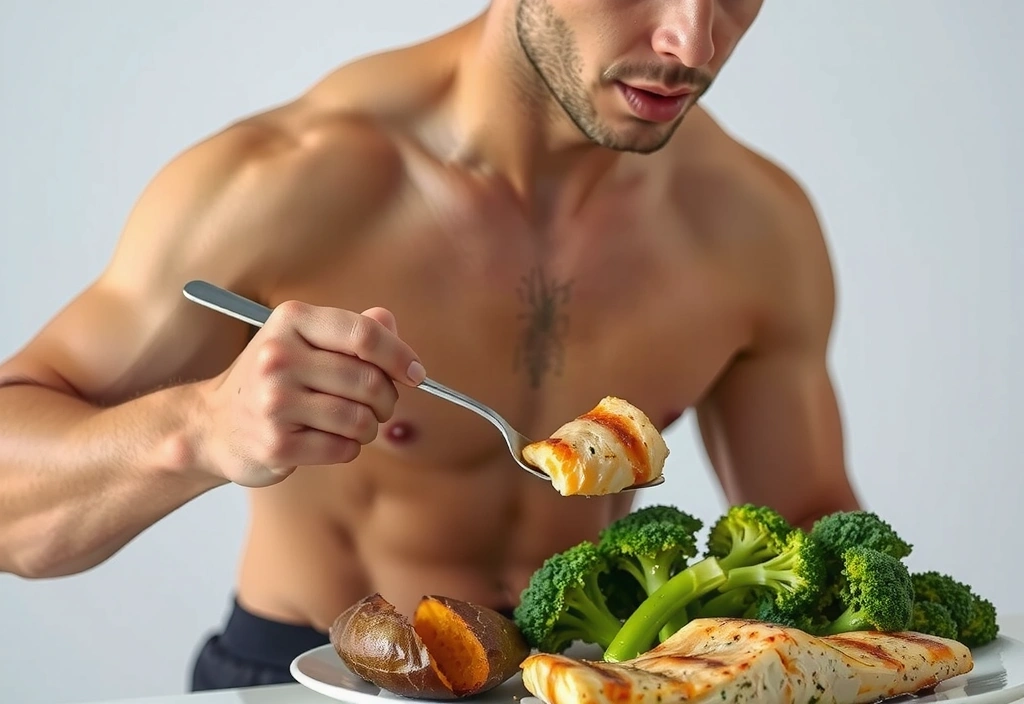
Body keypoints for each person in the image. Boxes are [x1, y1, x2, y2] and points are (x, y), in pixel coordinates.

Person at [0, 0, 862, 693]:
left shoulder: (756, 228)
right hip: (306, 680)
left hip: (592, 680)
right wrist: (199, 428)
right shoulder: (279, 183)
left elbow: (818, 536)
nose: (693, 38)